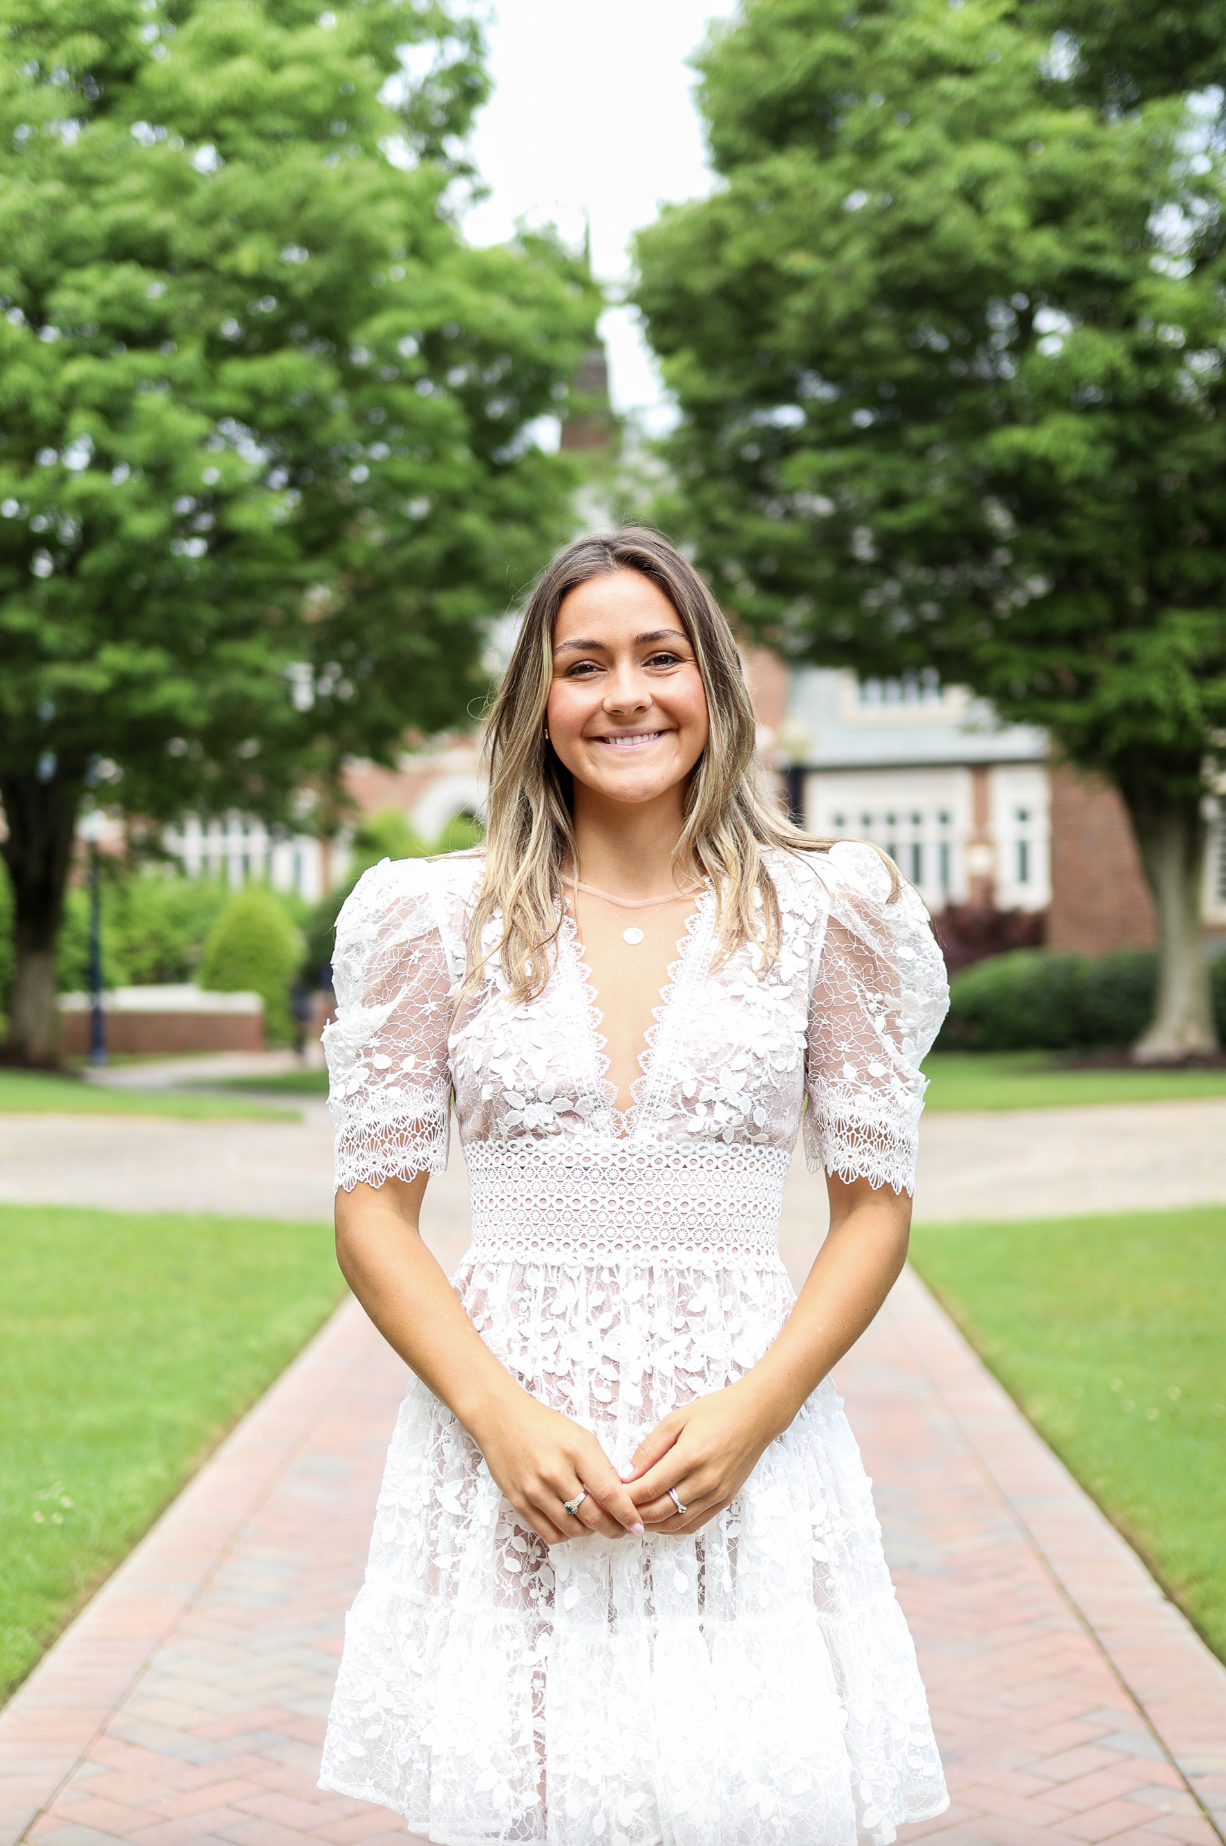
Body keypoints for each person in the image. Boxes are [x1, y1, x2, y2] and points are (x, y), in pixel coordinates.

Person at [317, 530, 951, 1845]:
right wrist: (497, 1416)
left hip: (738, 1441)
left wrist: (754, 1411)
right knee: (526, 1798)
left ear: (714, 682)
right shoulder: (433, 919)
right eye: (583, 664)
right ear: (536, 705)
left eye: (660, 657)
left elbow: (872, 1206)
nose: (625, 696)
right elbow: (372, 1207)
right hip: (505, 1451)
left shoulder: (824, 913)